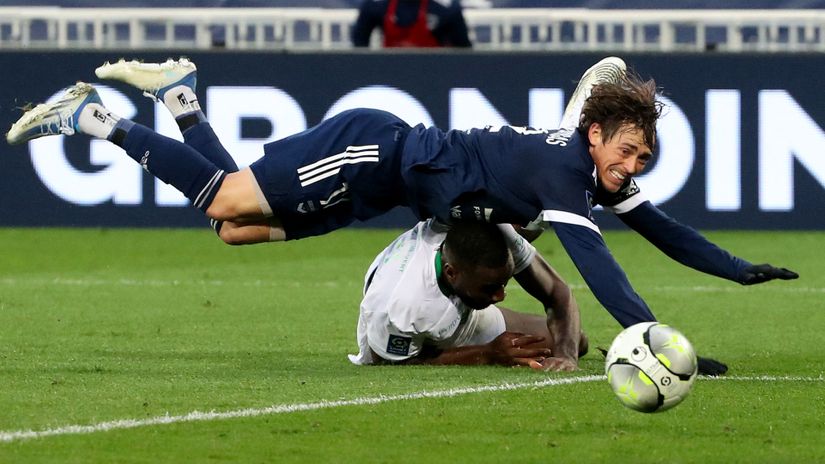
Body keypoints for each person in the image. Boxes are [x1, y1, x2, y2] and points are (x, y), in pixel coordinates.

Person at [6, 57, 797, 375]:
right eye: (625, 152)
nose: (630, 170)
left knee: (232, 225)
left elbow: (662, 230)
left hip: (389, 193)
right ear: (595, 134)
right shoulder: (566, 170)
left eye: (640, 162)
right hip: (372, 154)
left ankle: (178, 95)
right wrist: (655, 347)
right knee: (223, 198)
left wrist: (737, 271)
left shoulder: (587, 165)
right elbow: (602, 272)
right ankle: (94, 119)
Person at [349, 218, 586, 370]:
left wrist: (567, 356)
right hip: (409, 334)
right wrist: (488, 354)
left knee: (576, 340)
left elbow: (557, 290)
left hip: (466, 314)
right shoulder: (400, 305)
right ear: (452, 272)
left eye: (503, 284)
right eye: (490, 287)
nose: (501, 296)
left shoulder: (499, 233)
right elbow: (390, 362)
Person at [352, 0, 472, 48]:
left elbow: (463, 53)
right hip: (389, 75)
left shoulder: (446, 8)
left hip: (434, 75)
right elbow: (359, 46)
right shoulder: (376, 6)